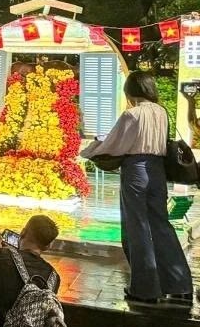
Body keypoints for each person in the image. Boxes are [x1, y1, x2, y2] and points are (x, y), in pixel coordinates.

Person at [82, 73, 194, 306]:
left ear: (130, 91)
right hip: (157, 171)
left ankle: (145, 289)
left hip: (136, 171)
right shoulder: (161, 112)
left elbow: (115, 144)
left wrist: (90, 150)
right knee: (161, 225)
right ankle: (180, 285)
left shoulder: (132, 114)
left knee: (138, 228)